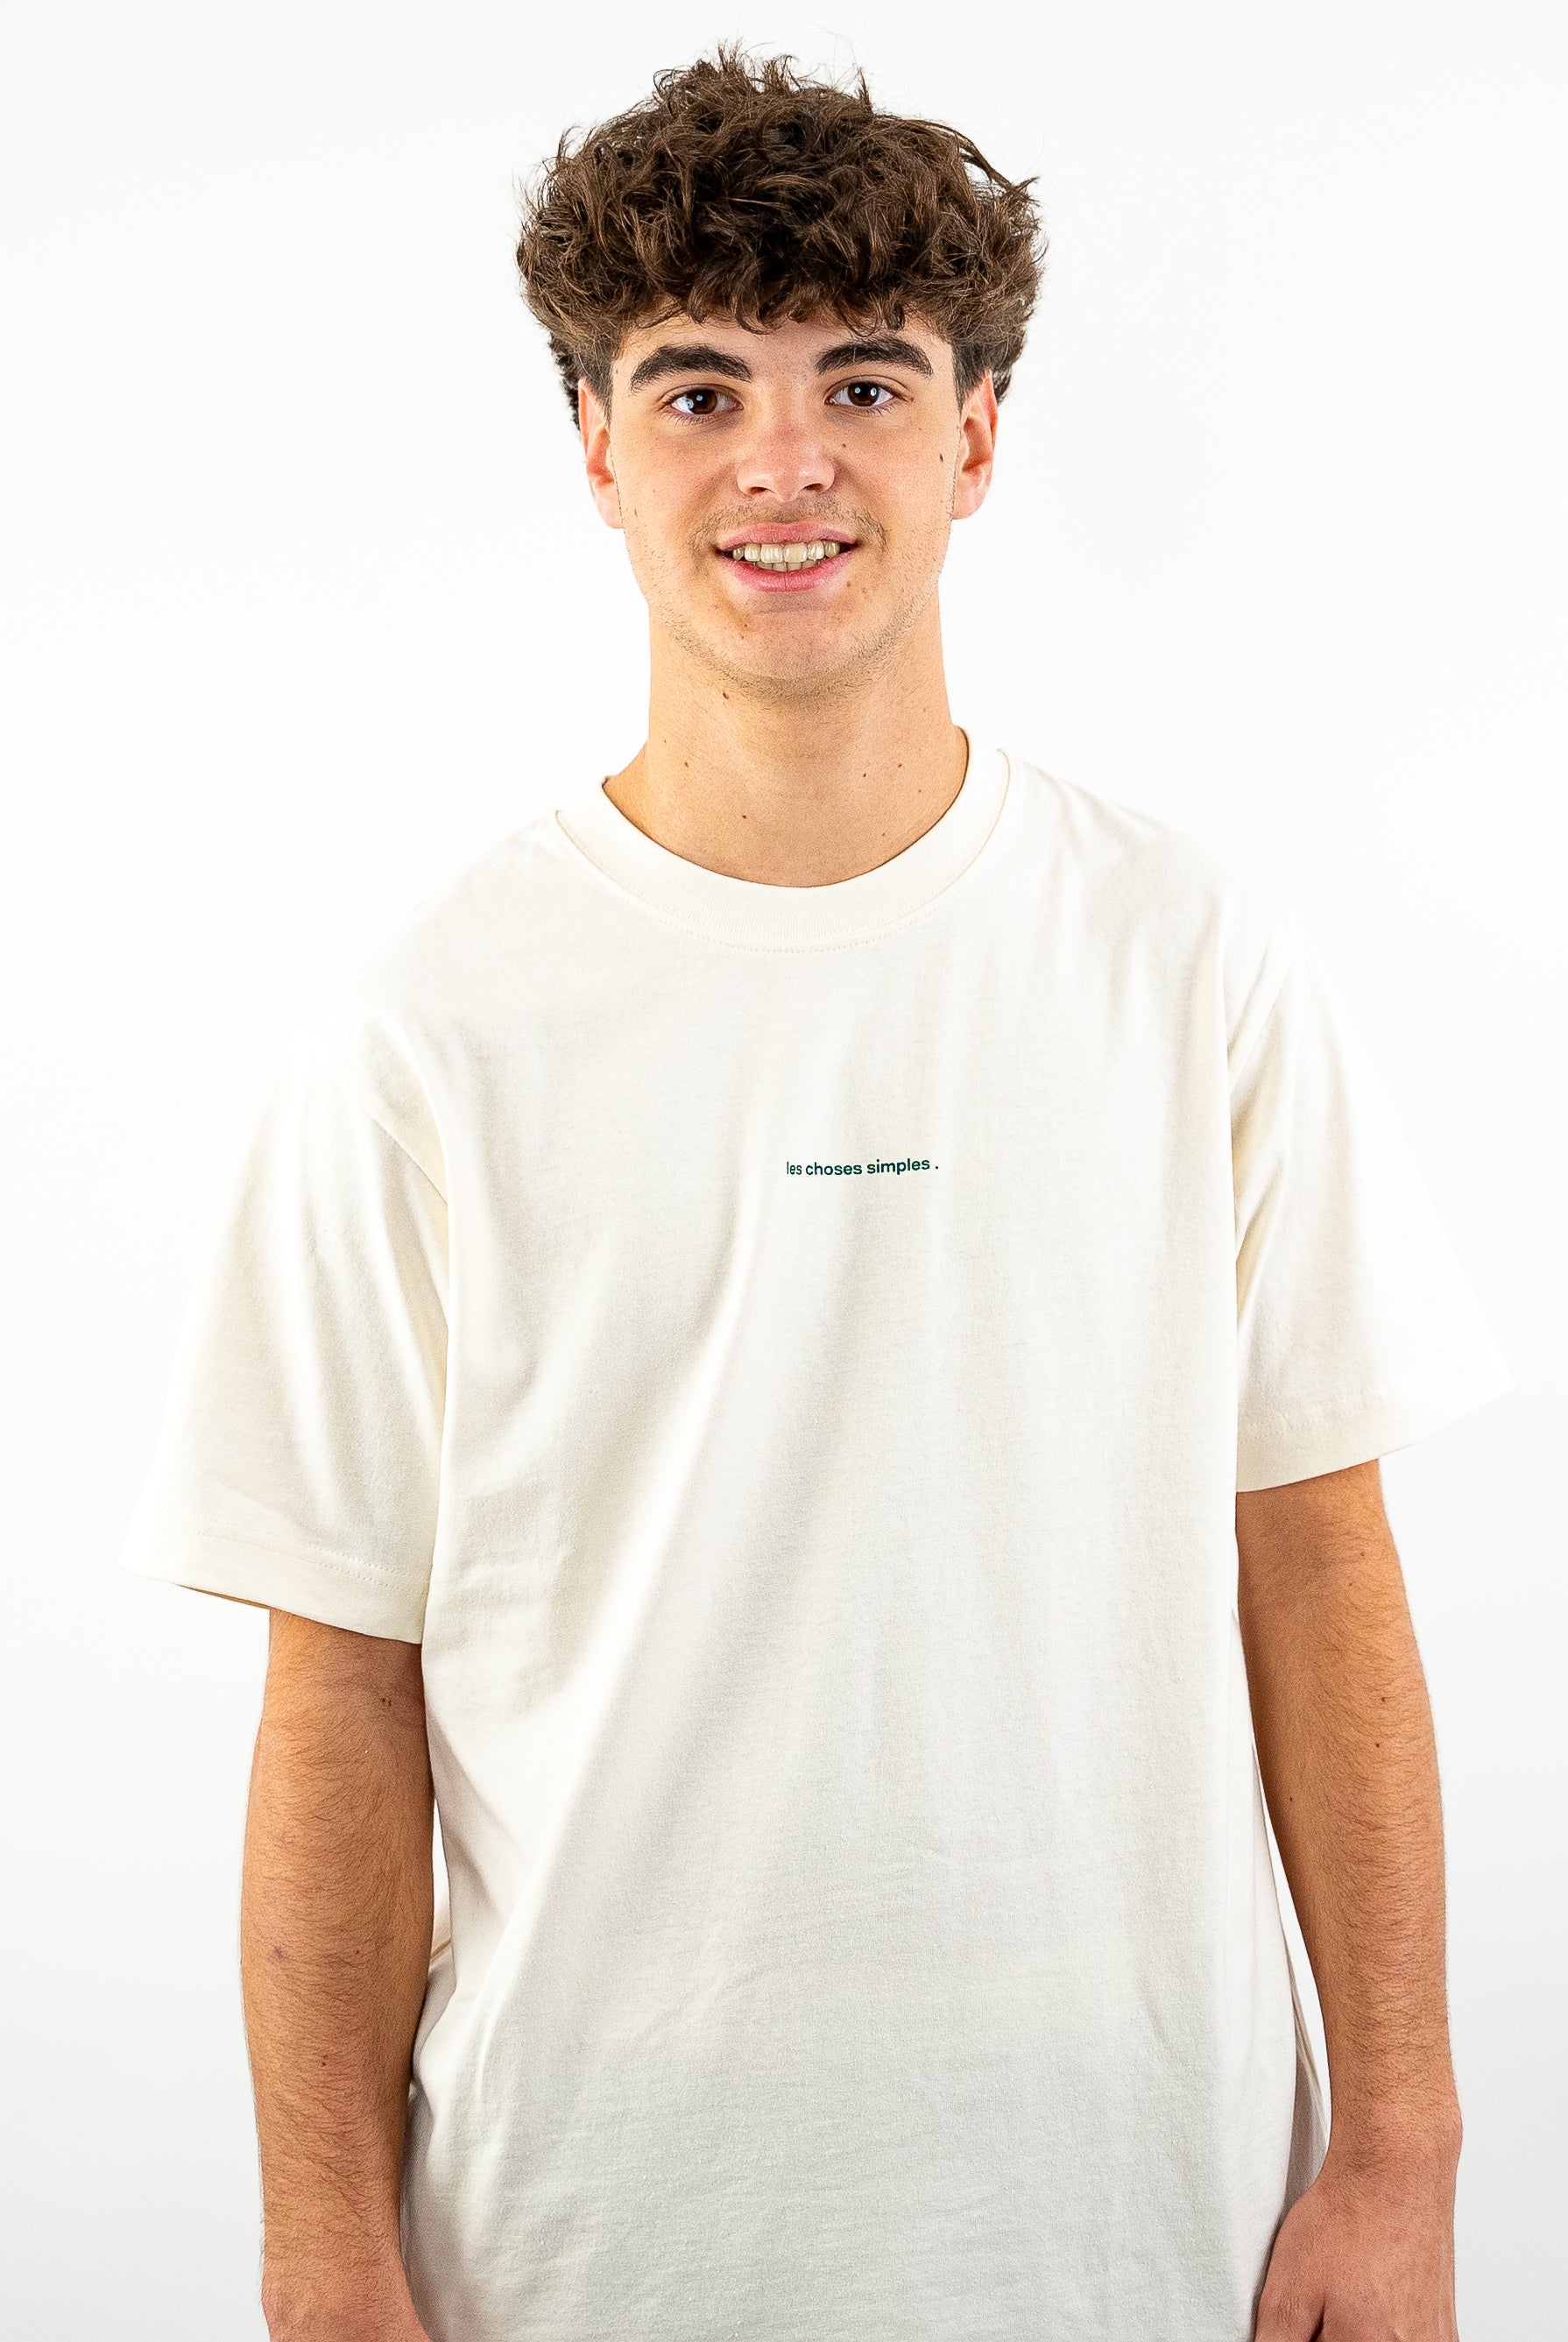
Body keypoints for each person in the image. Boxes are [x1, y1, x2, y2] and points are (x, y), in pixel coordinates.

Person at [119, 46, 1512, 2342]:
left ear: (976, 438)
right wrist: (323, 2254)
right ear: (596, 449)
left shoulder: (1185, 957)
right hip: (579, 2237)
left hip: (1138, 2218)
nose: (784, 461)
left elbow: (1320, 1564)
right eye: (698, 391)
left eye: (863, 380)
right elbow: (341, 1685)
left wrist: (1401, 2146)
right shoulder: (430, 1027)